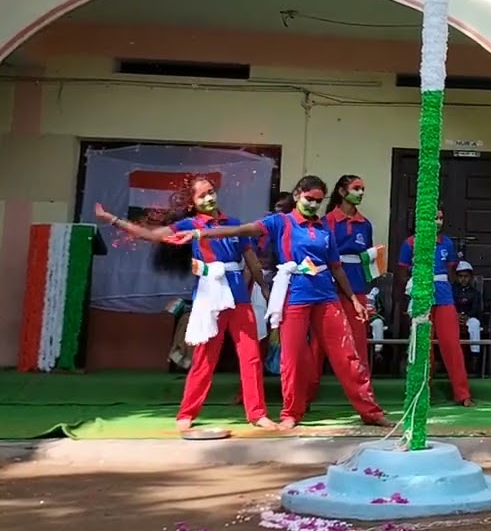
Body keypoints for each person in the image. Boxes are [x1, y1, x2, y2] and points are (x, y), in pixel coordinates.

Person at [166, 175, 386, 429]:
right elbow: (242, 230)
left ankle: (371, 412)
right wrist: (199, 232)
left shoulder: (325, 228)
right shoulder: (281, 221)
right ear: (296, 195)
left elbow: (336, 268)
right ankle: (291, 413)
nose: (313, 205)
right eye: (308, 199)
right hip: (294, 297)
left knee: (348, 355)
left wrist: (353, 300)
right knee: (291, 358)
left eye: (318, 201)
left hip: (327, 297)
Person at [93, 176, 276, 431]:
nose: (209, 198)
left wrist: (265, 290)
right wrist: (112, 219)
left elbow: (251, 260)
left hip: (239, 298)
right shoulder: (190, 225)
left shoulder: (234, 224)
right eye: (201, 196)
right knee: (204, 358)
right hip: (211, 297)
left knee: (251, 356)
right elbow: (151, 235)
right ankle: (187, 413)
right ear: (192, 203)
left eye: (211, 192)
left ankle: (257, 413)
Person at [308, 174, 380, 405]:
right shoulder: (326, 221)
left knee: (358, 343)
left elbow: (368, 260)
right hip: (328, 287)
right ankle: (305, 397)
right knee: (318, 345)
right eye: (356, 188)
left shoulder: (365, 224)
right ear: (341, 191)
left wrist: (369, 294)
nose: (361, 193)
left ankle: (366, 400)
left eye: (363, 189)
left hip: (357, 288)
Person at [394, 209, 473, 406]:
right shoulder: (410, 243)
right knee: (423, 346)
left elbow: (451, 271)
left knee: (451, 344)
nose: (438, 222)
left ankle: (462, 394)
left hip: (444, 297)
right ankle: (421, 393)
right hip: (421, 297)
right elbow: (402, 273)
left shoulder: (446, 243)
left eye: (440, 218)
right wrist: (412, 295)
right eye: (434, 218)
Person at [453, 260, 487, 375]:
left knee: (475, 324)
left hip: (469, 318)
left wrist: (467, 316)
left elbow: (476, 308)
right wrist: (456, 316)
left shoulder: (475, 293)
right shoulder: (451, 291)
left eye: (466, 276)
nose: (463, 279)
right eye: (460, 276)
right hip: (453, 318)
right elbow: (449, 305)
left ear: (471, 277)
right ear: (456, 277)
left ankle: (475, 356)